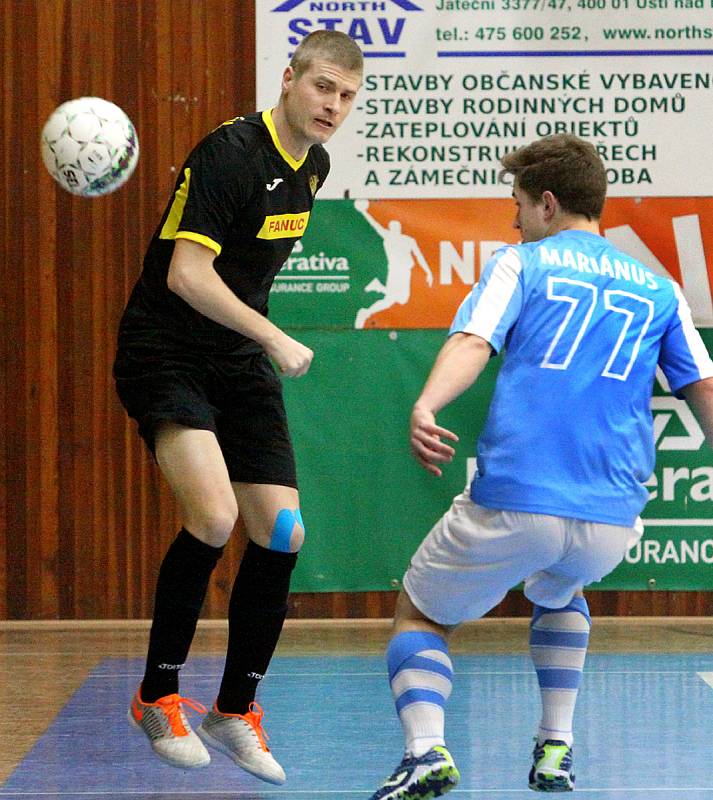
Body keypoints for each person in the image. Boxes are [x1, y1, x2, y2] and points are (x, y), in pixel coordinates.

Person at [368, 134, 713, 799]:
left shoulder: (520, 264)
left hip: (517, 495)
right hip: (611, 517)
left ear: (547, 204)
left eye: (518, 204)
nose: (513, 219)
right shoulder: (659, 288)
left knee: (420, 615)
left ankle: (423, 752)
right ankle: (554, 745)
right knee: (559, 588)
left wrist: (427, 403)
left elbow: (474, 339)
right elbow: (701, 389)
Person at [114, 30, 363, 783]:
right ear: (288, 80)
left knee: (282, 531)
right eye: (322, 86)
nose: (333, 105)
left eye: (348, 96)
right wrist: (275, 338)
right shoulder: (227, 154)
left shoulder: (311, 168)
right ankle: (158, 695)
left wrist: (254, 344)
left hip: (235, 361)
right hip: (167, 351)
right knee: (215, 518)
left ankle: (234, 711)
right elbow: (188, 275)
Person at [352, 199, 433, 329]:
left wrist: (428, 271)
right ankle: (365, 313)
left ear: (400, 228)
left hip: (407, 271)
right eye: (393, 227)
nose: (395, 228)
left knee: (402, 299)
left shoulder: (408, 240)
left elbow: (419, 256)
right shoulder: (389, 237)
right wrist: (364, 212)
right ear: (391, 229)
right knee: (390, 300)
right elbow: (375, 225)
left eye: (397, 227)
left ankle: (377, 287)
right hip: (395, 271)